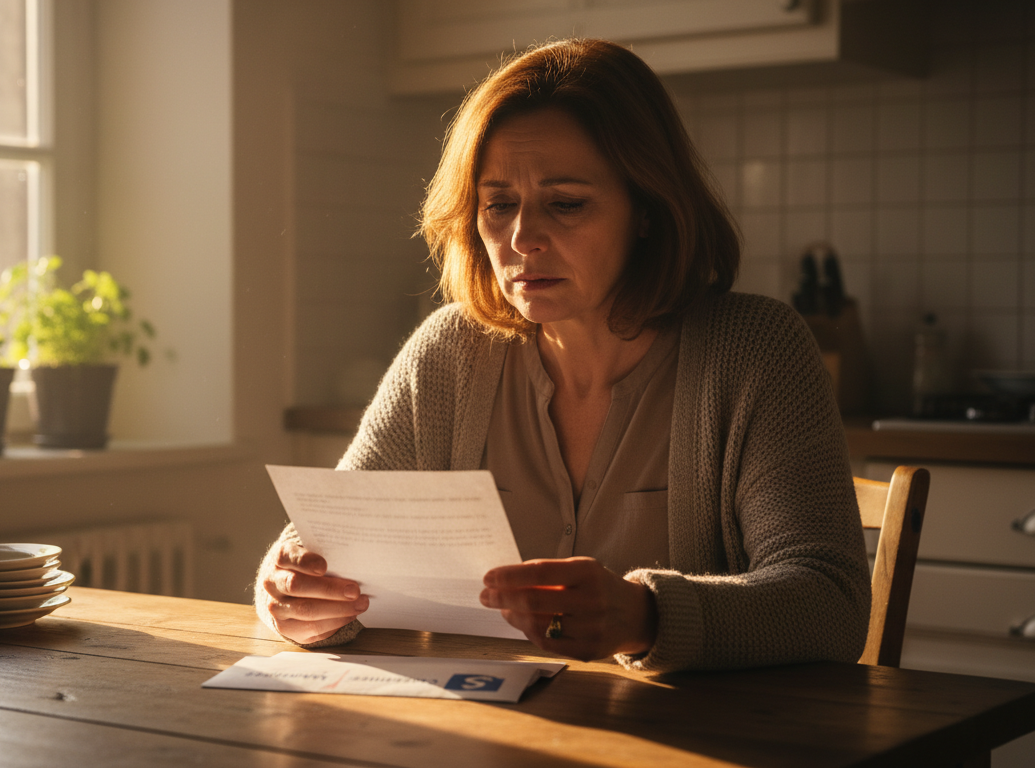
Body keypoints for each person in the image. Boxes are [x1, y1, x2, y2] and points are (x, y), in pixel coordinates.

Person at [255, 38, 870, 673]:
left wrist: (645, 616)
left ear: (648, 210)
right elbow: (320, 546)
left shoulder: (755, 351)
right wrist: (293, 595)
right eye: (498, 205)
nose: (522, 238)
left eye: (566, 203)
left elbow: (832, 603)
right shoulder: (449, 352)